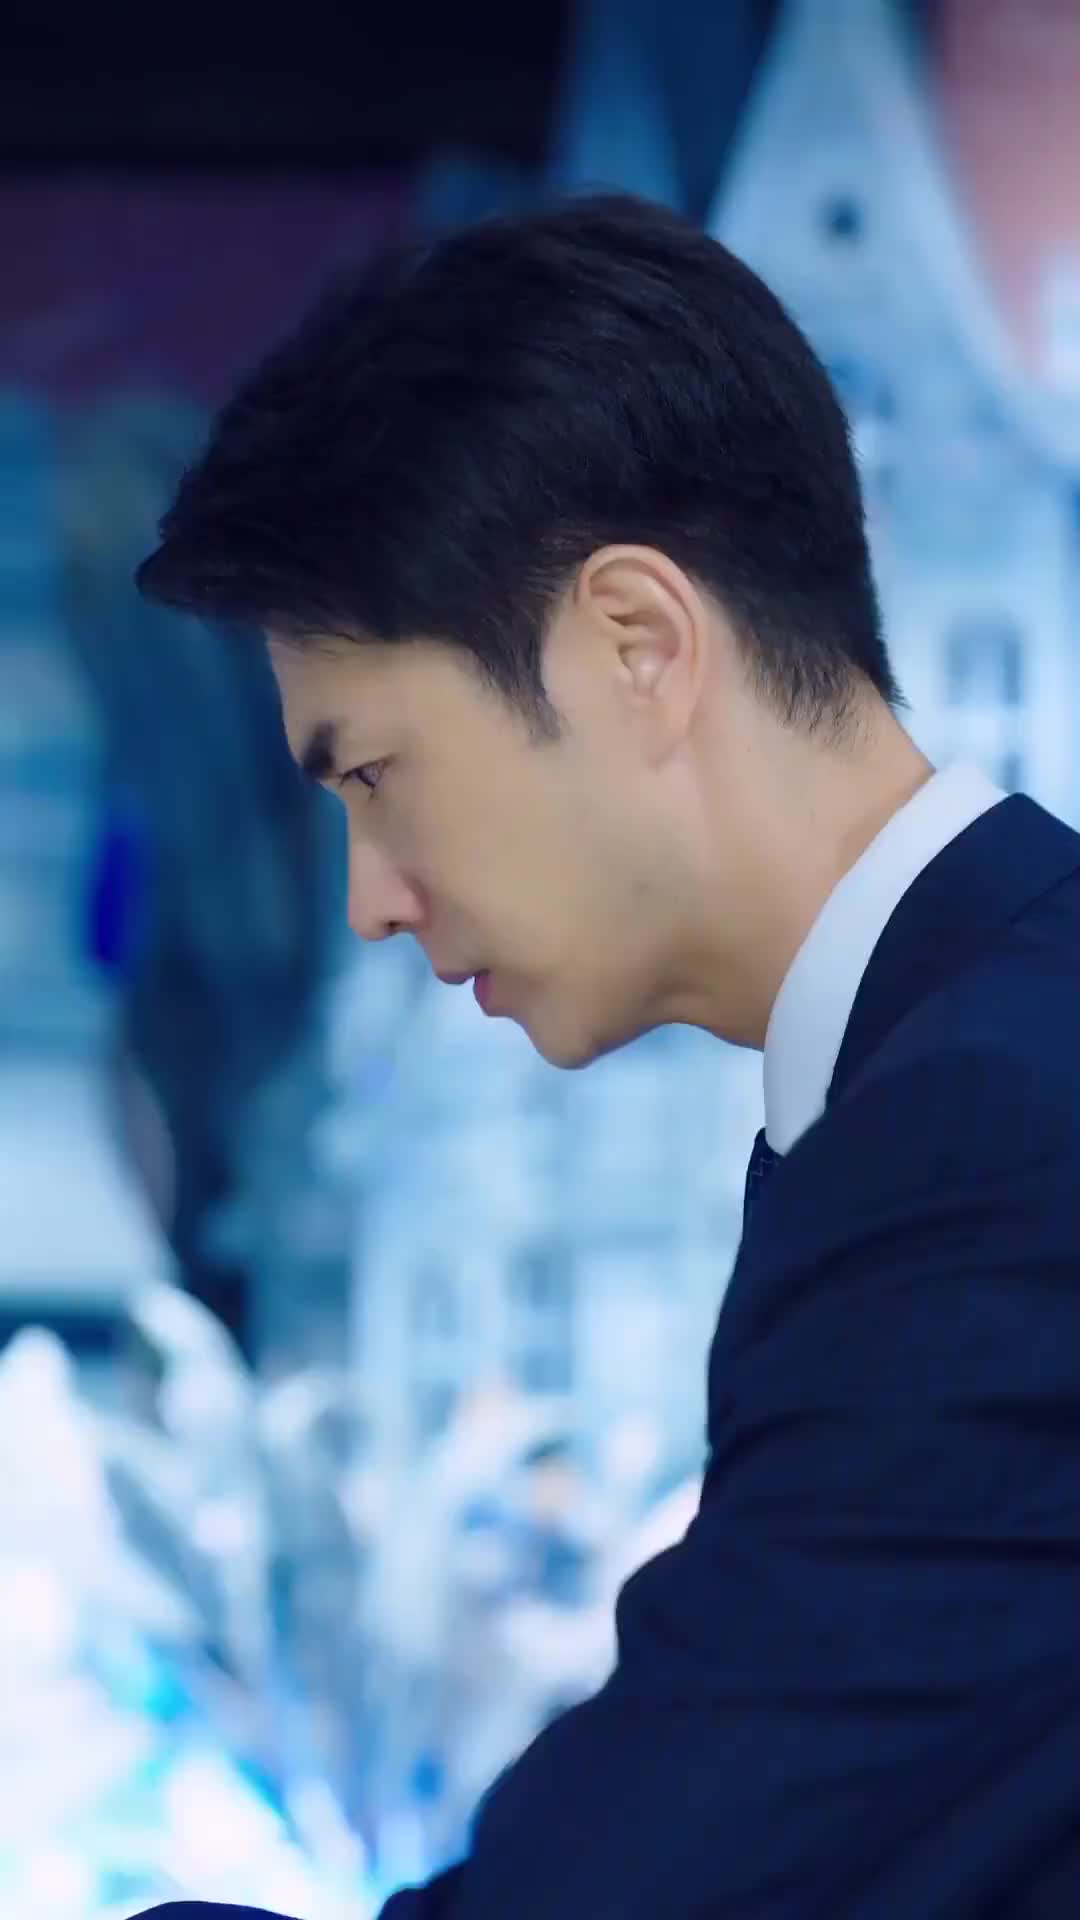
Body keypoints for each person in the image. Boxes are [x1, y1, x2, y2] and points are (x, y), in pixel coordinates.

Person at [130, 196, 1080, 1917]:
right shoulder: (969, 1058)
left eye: (374, 775)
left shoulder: (994, 1127)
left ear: (637, 643)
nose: (371, 901)